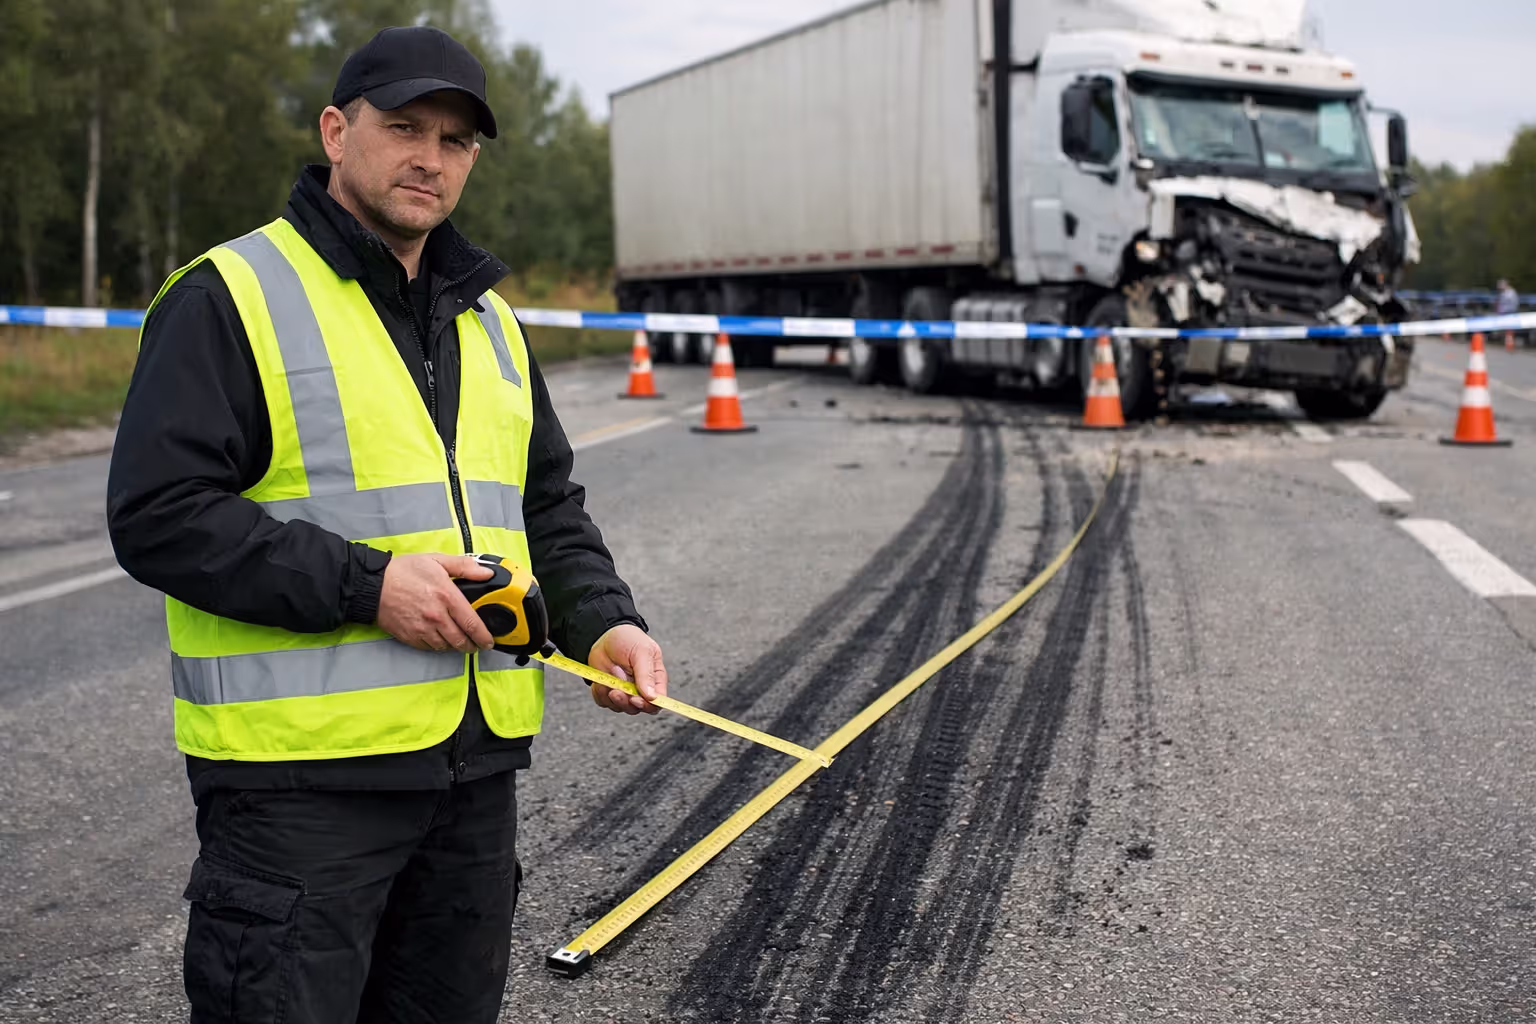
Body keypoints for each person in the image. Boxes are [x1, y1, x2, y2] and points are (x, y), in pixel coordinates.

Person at [106, 25, 667, 1024]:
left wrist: (604, 623)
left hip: (472, 779)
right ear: (336, 130)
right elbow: (160, 515)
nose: (431, 158)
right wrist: (373, 585)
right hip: (296, 794)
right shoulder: (230, 296)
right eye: (405, 126)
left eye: (456, 141)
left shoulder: (489, 322)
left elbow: (546, 507)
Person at [1496, 279, 1521, 349]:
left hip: (1509, 313)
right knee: (1506, 330)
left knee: (1509, 330)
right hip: (1504, 313)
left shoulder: (1511, 293)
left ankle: (1510, 345)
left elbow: (1514, 304)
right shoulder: (1502, 293)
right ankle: (1508, 344)